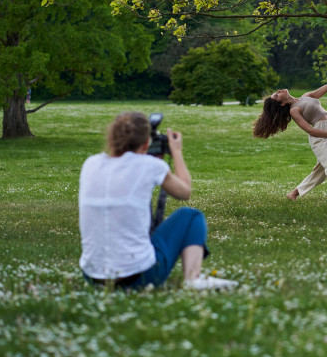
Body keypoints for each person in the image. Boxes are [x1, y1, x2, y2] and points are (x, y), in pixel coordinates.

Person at [79, 112, 238, 290]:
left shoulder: (90, 164)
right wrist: (176, 152)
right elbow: (185, 191)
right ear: (147, 143)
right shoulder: (150, 165)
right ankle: (193, 279)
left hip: (92, 275)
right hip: (140, 277)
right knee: (191, 216)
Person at [253, 75, 327, 202]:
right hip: (318, 137)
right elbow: (310, 130)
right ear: (282, 103)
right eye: (276, 95)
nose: (278, 91)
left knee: (322, 170)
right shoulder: (294, 110)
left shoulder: (305, 96)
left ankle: (293, 194)